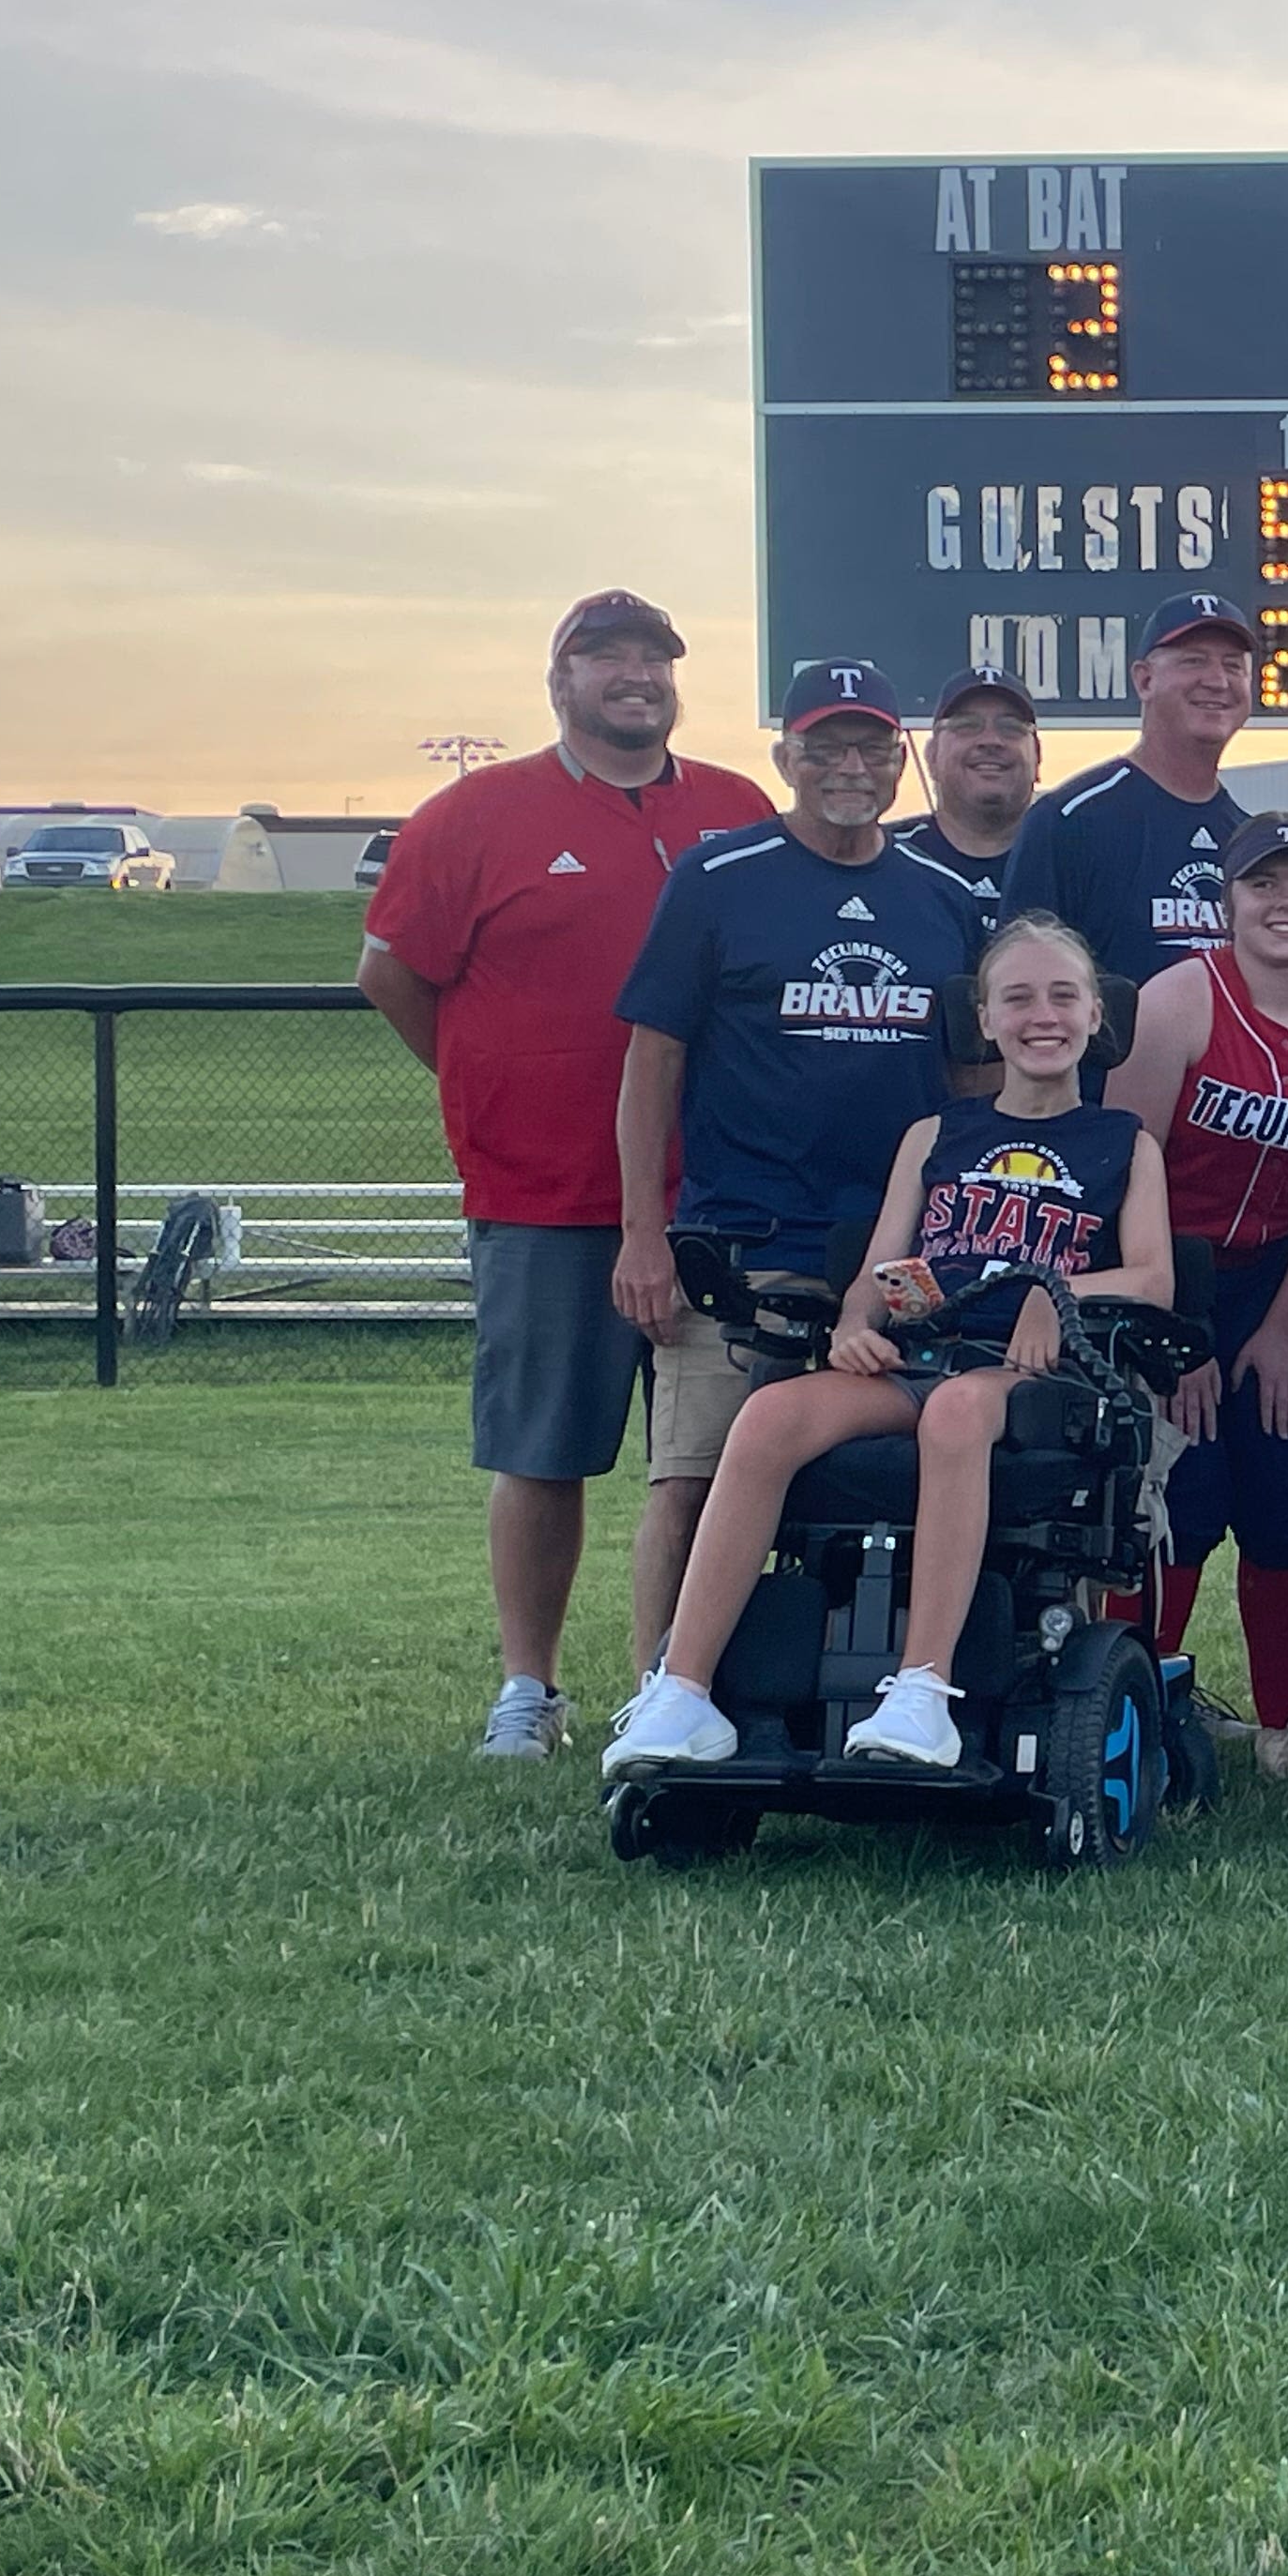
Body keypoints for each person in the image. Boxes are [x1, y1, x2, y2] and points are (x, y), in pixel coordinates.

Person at [601, 916, 1171, 1774]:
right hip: (917, 1359)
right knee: (768, 1416)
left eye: (1064, 996)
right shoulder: (936, 1135)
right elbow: (877, 1272)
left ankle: (924, 1690)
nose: (1041, 1015)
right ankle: (685, 1690)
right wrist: (858, 1325)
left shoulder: (1123, 1143)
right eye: (1016, 997)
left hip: (1032, 1381)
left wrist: (1061, 1296)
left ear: (1099, 1017)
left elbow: (1155, 1279)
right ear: (982, 1018)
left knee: (955, 1410)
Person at [355, 588, 773, 1754]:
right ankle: (529, 1687)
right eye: (608, 658)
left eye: (653, 657)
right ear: (561, 679)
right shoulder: (474, 815)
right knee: (545, 1449)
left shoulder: (735, 808)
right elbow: (393, 974)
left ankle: (682, 1683)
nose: (635, 675)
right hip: (546, 1196)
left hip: (715, 1197)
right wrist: (487, 1078)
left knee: (702, 1462)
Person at [608, 659, 988, 1691]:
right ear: (786, 758)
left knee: (906, 1480)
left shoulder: (943, 898)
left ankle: (879, 1679)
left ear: (901, 764)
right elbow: (653, 1061)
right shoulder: (717, 879)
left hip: (899, 1257)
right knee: (692, 1476)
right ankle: (660, 1694)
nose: (850, 768)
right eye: (826, 748)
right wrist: (646, 1233)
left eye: (871, 747)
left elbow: (968, 1081)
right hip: (744, 1244)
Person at [1109, 811, 1288, 1776]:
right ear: (1226, 900)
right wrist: (1171, 1336)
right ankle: (1135, 1697)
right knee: (1178, 1490)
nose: (1286, 902)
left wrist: (1281, 1327)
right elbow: (1121, 1172)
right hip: (1171, 1270)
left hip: (1283, 1274)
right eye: (1262, 885)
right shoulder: (1180, 1000)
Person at [1003, 591, 1259, 987]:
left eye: (1233, 666)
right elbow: (1022, 982)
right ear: (1144, 680)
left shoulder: (1249, 839)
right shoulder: (1070, 821)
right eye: (1194, 661)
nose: (1217, 681)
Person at [902, 664, 1042, 902]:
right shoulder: (889, 859)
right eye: (966, 726)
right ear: (932, 755)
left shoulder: (1073, 861)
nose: (990, 740)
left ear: (1038, 756)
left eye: (1010, 727)